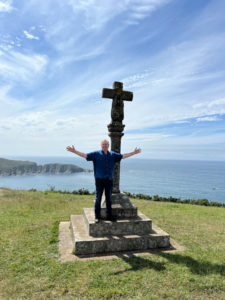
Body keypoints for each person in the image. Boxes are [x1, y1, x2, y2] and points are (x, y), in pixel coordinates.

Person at [66, 140, 141, 222]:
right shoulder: (96, 154)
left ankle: (109, 216)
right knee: (98, 198)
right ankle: (97, 217)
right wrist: (74, 151)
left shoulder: (112, 155)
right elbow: (85, 155)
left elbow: (123, 156)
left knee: (109, 198)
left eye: (106, 144)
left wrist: (134, 153)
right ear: (101, 145)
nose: (104, 145)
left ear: (108, 145)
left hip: (109, 180)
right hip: (99, 180)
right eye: (103, 144)